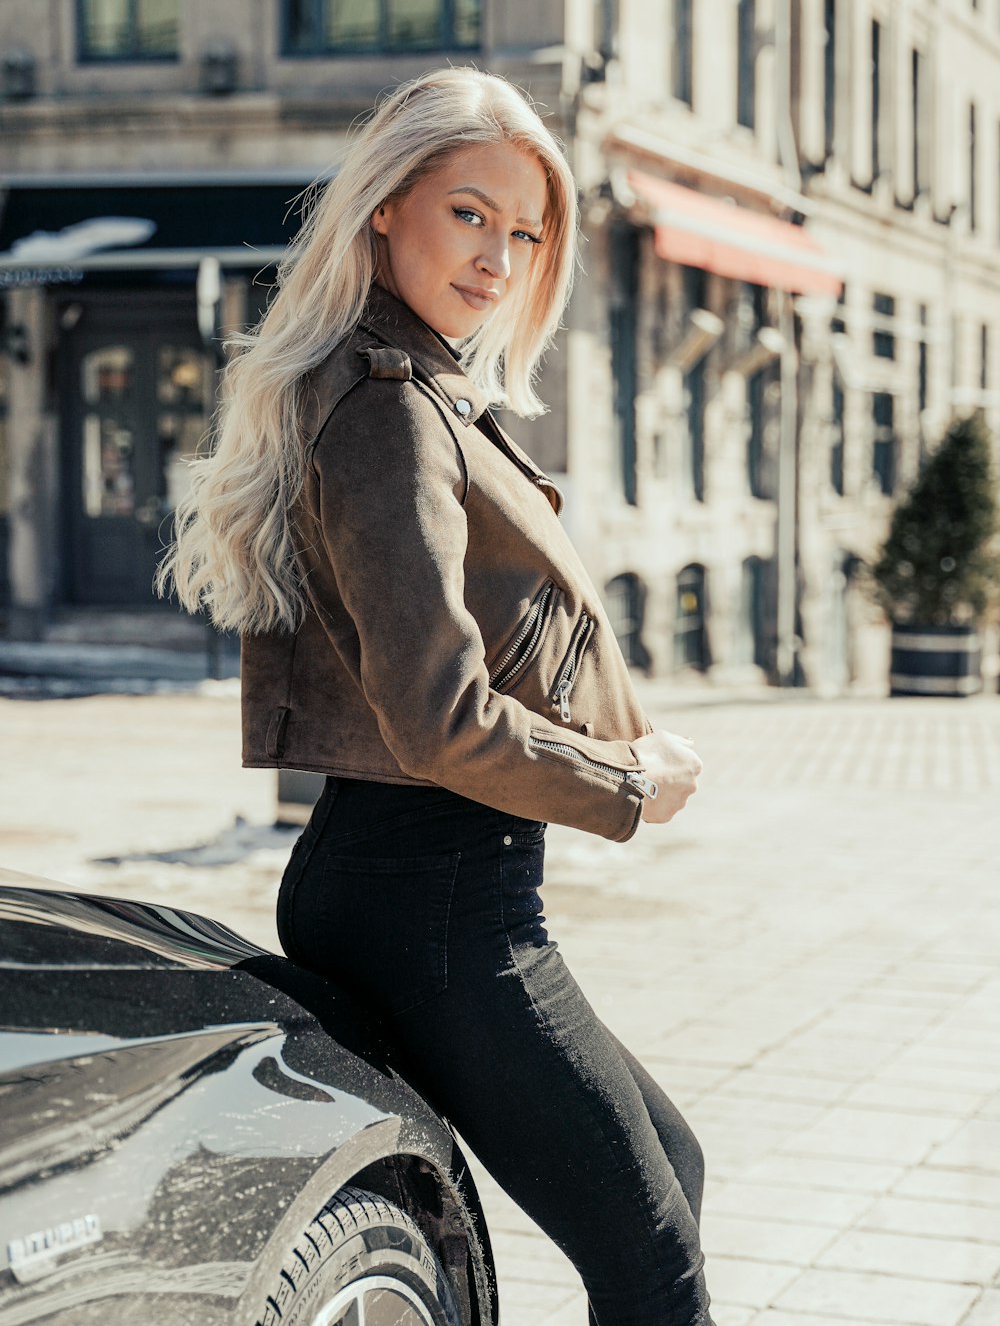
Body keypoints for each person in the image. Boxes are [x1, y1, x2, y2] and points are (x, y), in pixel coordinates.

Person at [159, 67, 713, 1326]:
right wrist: (631, 779)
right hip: (438, 902)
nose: (498, 256)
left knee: (667, 1177)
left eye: (523, 233)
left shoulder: (427, 390)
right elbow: (441, 716)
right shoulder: (389, 411)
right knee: (651, 1255)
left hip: (430, 886)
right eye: (470, 214)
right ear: (384, 210)